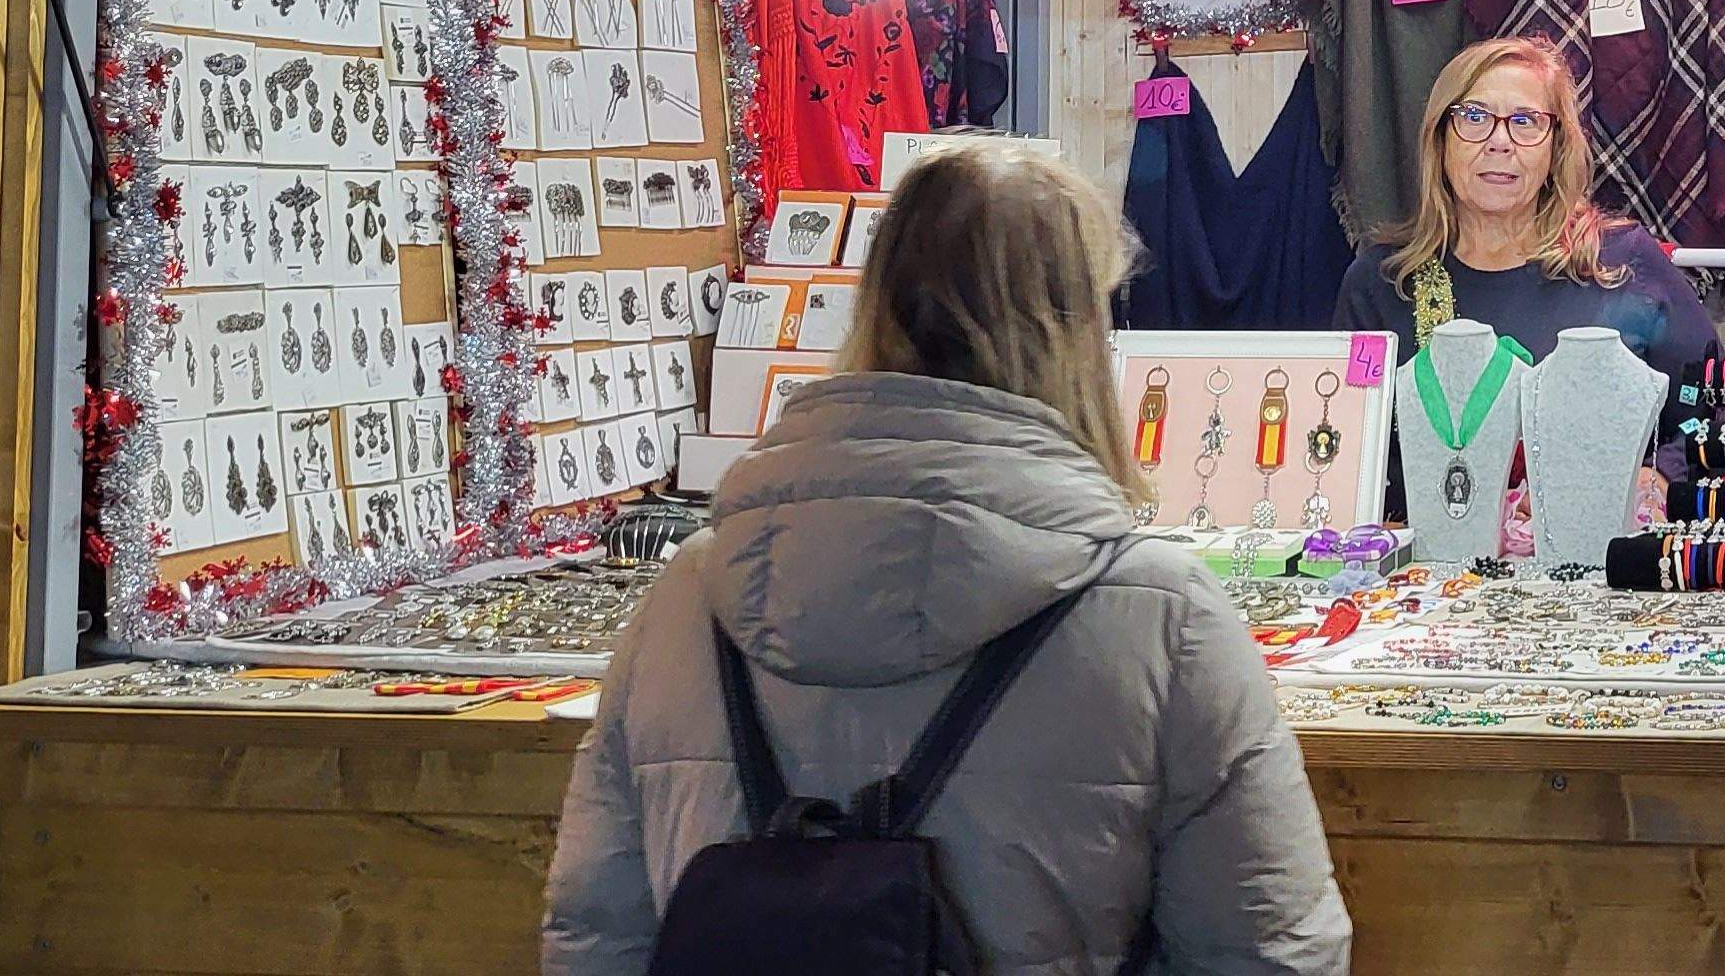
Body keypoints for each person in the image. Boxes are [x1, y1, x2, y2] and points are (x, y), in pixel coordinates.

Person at [542, 139, 1350, 975]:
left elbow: (598, 935)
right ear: (1076, 332)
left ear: (874, 302)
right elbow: (1269, 952)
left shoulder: (689, 597)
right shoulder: (1164, 614)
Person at [1329, 36, 1723, 377]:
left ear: (1556, 150)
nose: (1499, 141)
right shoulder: (1380, 284)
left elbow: (1713, 402)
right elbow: (1351, 436)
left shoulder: (1621, 263)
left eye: (1524, 121)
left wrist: (1664, 467)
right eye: (1475, 116)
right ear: (1440, 141)